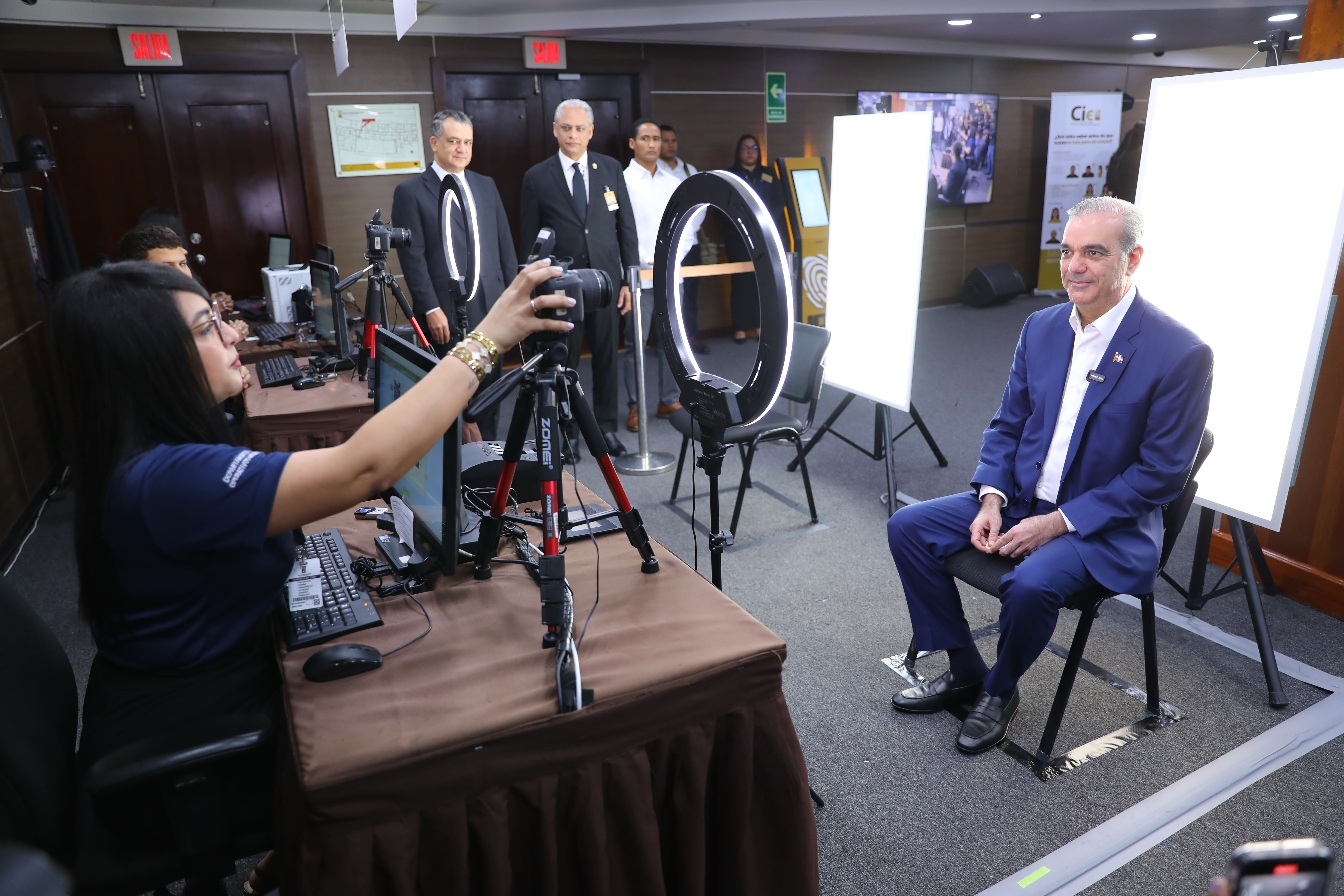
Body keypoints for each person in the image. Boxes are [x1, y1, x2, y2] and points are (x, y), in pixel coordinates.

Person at [48, 259, 572, 894]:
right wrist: (487, 340)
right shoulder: (167, 481)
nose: (234, 334)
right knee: (430, 731)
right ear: (149, 360)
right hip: (185, 750)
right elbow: (365, 468)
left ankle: (300, 852)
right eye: (208, 327)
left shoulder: (142, 460)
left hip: (183, 697)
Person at [886, 197, 1213, 755]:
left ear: (1132, 259)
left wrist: (1059, 522)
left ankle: (999, 688)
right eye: (1067, 252)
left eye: (1094, 253)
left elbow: (1159, 476)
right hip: (1021, 500)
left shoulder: (1179, 352)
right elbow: (1008, 423)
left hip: (1103, 527)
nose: (1074, 266)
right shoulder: (1041, 327)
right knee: (908, 527)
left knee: (1030, 584)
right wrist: (991, 498)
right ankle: (964, 666)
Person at [518, 98, 639, 458]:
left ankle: (605, 427)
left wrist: (628, 279)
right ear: (555, 131)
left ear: (591, 132)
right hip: (561, 284)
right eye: (567, 128)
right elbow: (529, 238)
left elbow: (626, 227)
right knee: (564, 359)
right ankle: (568, 430)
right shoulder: (536, 176)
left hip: (605, 283)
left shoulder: (610, 168)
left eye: (580, 128)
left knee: (606, 356)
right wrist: (534, 286)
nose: (573, 134)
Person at [392, 108, 517, 440]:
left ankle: (487, 457)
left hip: (491, 305)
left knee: (490, 390)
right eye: (453, 141)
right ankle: (456, 465)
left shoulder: (485, 185)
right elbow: (413, 257)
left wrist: (513, 299)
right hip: (445, 312)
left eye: (468, 142)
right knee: (453, 396)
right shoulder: (410, 192)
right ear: (435, 143)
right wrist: (430, 307)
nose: (462, 149)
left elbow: (504, 245)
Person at [621, 119, 685, 432]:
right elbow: (618, 231)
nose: (652, 144)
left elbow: (687, 226)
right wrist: (634, 264)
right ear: (632, 143)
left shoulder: (674, 182)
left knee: (672, 342)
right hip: (638, 277)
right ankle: (636, 406)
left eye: (656, 139)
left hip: (671, 275)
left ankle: (668, 399)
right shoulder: (622, 181)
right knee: (636, 344)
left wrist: (674, 256)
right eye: (645, 138)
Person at [119, 224, 250, 341]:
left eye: (182, 263)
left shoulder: (177, 304)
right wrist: (230, 336)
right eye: (167, 267)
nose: (182, 274)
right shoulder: (139, 320)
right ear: (137, 273)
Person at [725, 133, 787, 343]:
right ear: (738, 151)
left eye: (753, 148)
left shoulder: (768, 174)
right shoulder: (731, 175)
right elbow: (725, 205)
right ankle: (740, 327)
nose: (750, 152)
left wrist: (765, 222)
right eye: (745, 148)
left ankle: (760, 325)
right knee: (741, 283)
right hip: (738, 237)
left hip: (763, 236)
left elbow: (779, 202)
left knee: (762, 282)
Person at [658, 123, 709, 354]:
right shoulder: (655, 170)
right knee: (665, 295)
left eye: (673, 141)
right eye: (665, 140)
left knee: (689, 295)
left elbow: (702, 207)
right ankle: (665, 342)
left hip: (690, 244)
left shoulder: (689, 170)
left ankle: (691, 337)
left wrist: (686, 230)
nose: (670, 145)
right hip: (665, 244)